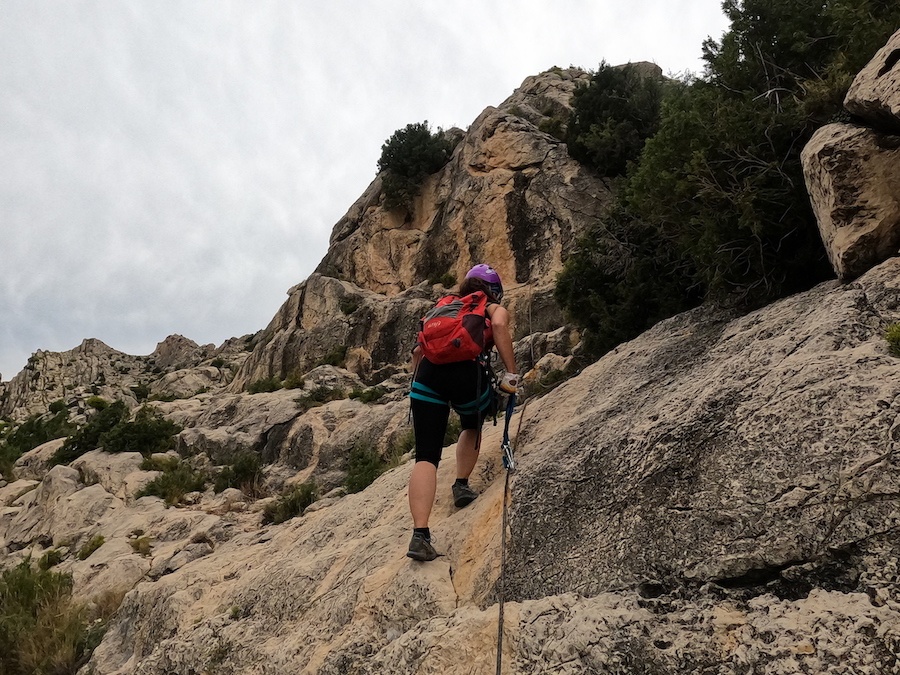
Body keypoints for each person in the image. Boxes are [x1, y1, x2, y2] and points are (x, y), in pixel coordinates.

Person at [406, 264, 518, 561]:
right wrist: (511, 373)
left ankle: (420, 535)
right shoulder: (488, 306)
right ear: (493, 290)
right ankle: (460, 485)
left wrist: (419, 385)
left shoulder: (443, 307)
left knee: (426, 456)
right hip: (467, 374)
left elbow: (418, 352)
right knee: (473, 421)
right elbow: (499, 326)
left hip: (427, 376)